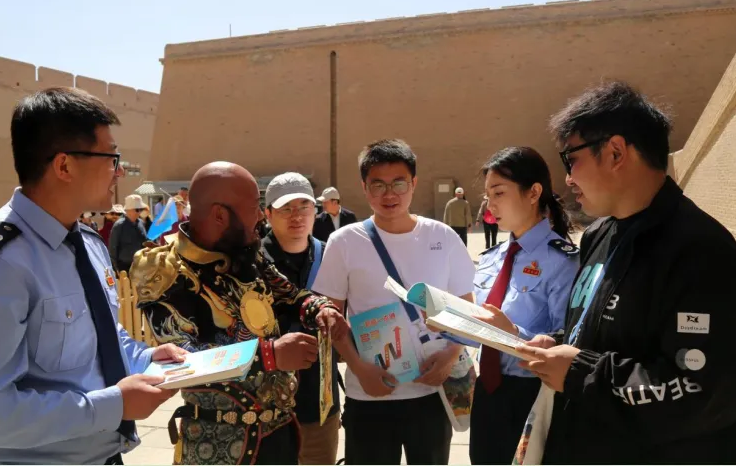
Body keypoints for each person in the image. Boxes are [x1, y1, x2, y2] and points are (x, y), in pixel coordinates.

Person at [515, 82, 736, 464]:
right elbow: (603, 332)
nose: (567, 178)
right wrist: (558, 344)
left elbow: (699, 390)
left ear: (616, 152)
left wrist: (579, 372)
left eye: (571, 159)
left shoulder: (701, 250)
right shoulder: (599, 235)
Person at [0, 87, 186, 464]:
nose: (119, 172)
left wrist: (146, 356)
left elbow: (100, 339)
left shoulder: (88, 245)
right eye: (111, 158)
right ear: (64, 166)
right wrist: (113, 405)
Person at [130, 161, 349, 465]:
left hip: (281, 434)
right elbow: (183, 360)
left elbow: (291, 295)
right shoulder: (164, 270)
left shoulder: (245, 251)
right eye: (254, 207)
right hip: (216, 443)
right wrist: (270, 355)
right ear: (220, 215)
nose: (260, 216)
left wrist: (321, 309)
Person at [312, 139, 476, 465]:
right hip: (369, 393)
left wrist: (449, 356)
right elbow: (331, 318)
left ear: (414, 183)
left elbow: (466, 308)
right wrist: (359, 368)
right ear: (364, 187)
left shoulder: (442, 237)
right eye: (378, 185)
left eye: (399, 183)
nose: (389, 194)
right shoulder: (344, 242)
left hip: (432, 393)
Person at [467, 147, 579, 465]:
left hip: (532, 393)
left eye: (499, 193)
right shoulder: (491, 258)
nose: (490, 205)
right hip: (487, 392)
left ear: (533, 193)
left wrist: (514, 333)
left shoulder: (562, 260)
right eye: (488, 196)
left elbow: (569, 340)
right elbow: (480, 327)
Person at [260, 172, 341, 465]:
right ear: (267, 213)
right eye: (286, 208)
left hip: (319, 403)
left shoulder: (332, 255)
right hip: (264, 408)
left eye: (304, 207)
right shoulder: (251, 262)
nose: (296, 216)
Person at [108, 194, 149, 273]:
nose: (139, 212)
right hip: (124, 268)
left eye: (141, 209)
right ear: (129, 210)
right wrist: (115, 269)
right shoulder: (119, 226)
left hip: (140, 266)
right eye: (137, 209)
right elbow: (113, 248)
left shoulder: (141, 223)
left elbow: (145, 242)